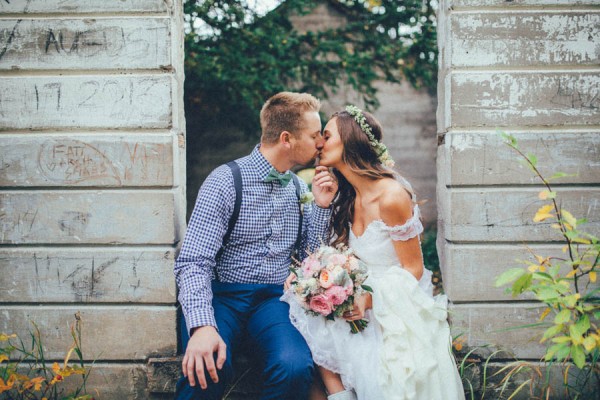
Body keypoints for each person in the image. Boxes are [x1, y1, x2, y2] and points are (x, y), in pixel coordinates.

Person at [283, 106, 465, 400]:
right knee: (304, 313)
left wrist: (370, 299)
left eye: (327, 136)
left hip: (391, 300)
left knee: (376, 368)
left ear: (349, 140)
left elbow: (413, 269)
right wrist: (322, 206)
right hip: (354, 294)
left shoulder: (391, 196)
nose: (319, 144)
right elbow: (325, 254)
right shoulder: (347, 196)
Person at [174, 92, 338, 400]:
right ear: (287, 138)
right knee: (208, 364)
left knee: (294, 367)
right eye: (315, 135)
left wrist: (322, 207)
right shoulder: (224, 182)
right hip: (223, 296)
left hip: (274, 301)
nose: (320, 142)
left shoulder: (300, 188)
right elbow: (193, 262)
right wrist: (201, 325)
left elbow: (309, 259)